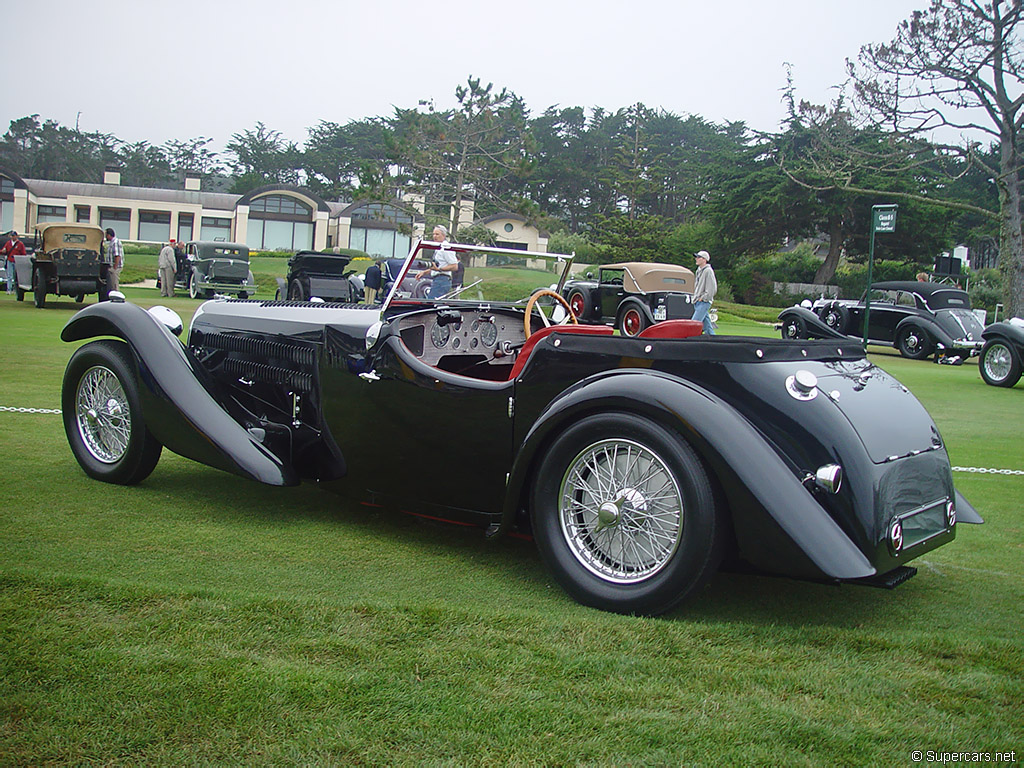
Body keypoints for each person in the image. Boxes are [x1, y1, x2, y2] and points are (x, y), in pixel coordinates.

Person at [417, 225, 459, 299]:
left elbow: (454, 266)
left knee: (431, 303)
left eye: (437, 234)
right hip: (437, 280)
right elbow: (437, 266)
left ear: (443, 235)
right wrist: (424, 272)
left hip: (442, 280)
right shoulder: (438, 248)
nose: (434, 236)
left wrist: (439, 269)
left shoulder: (446, 248)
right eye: (433, 234)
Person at [691, 249, 718, 335]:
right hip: (698, 301)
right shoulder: (699, 270)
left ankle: (690, 340)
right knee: (707, 327)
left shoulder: (708, 271)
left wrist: (703, 298)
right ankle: (713, 341)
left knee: (694, 324)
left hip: (704, 302)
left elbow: (712, 288)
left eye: (699, 257)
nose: (696, 259)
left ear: (704, 259)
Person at [104, 228, 124, 292]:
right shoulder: (111, 243)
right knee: (111, 284)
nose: (105, 237)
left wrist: (114, 267)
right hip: (111, 266)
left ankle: (116, 298)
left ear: (109, 235)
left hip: (115, 267)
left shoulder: (115, 242)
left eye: (106, 235)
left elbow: (117, 256)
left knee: (114, 285)